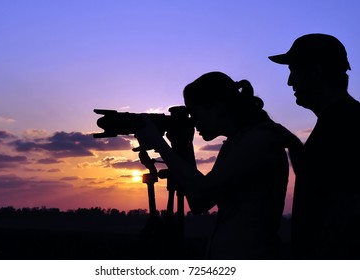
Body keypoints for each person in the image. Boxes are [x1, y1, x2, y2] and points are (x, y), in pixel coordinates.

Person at [134, 71, 290, 259]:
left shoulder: (257, 141)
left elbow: (202, 192)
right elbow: (200, 203)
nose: (192, 120)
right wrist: (184, 146)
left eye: (194, 111)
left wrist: (160, 145)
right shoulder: (237, 143)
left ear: (216, 106)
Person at [269, 33, 360, 259]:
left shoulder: (346, 125)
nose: (290, 82)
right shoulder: (337, 121)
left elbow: (346, 208)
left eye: (294, 71)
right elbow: (318, 179)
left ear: (315, 72)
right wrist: (292, 143)